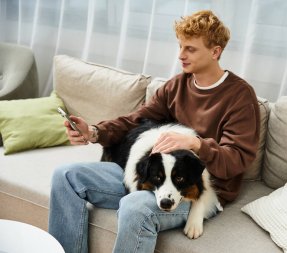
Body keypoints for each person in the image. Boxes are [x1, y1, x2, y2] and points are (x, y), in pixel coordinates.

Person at [48, 10, 260, 253]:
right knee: (65, 176)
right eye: (180, 46)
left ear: (215, 51)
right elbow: (136, 120)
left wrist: (196, 144)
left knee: (135, 207)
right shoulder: (177, 86)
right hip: (157, 176)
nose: (181, 55)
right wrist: (94, 132)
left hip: (197, 189)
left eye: (190, 49)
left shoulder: (240, 97)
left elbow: (236, 160)